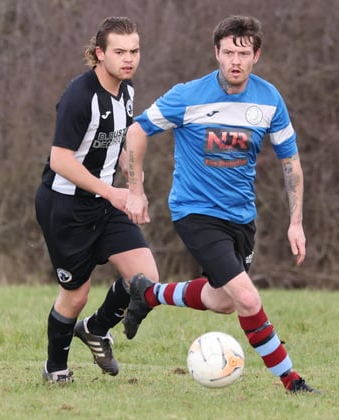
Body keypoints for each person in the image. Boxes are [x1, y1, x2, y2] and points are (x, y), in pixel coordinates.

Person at [122, 15, 320, 394]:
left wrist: (296, 222)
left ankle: (148, 293)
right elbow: (137, 130)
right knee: (247, 297)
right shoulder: (188, 95)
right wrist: (135, 188)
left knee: (223, 301)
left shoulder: (269, 100)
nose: (235, 61)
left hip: (242, 217)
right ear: (216, 52)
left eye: (243, 54)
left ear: (256, 56)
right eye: (228, 52)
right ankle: (292, 381)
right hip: (195, 212)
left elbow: (290, 162)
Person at [35, 16, 159, 383]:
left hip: (105, 203)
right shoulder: (80, 95)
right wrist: (113, 192)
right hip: (65, 206)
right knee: (76, 294)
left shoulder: (128, 91)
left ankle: (95, 330)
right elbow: (60, 159)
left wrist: (135, 189)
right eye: (119, 51)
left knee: (145, 279)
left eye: (134, 51)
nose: (129, 58)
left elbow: (124, 150)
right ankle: (55, 370)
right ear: (99, 53)